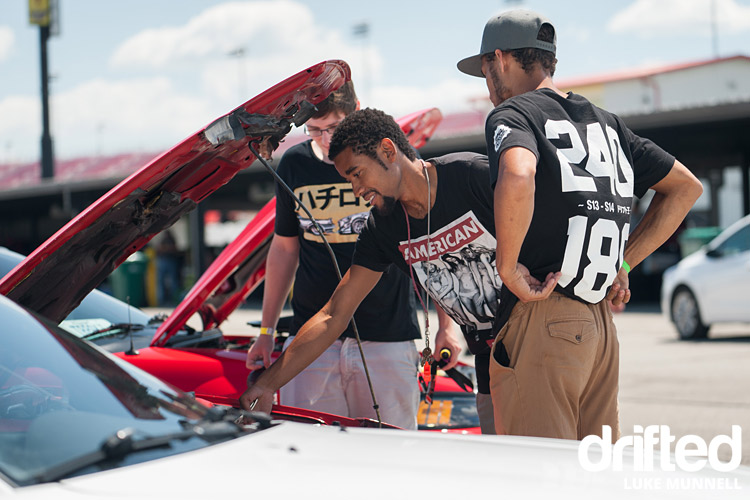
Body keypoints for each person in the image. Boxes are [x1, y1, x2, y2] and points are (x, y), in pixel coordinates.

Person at [457, 9, 703, 440]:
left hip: (544, 316)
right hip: (599, 329)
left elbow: (518, 174)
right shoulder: (606, 124)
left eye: (484, 70)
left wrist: (508, 266)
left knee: (543, 476)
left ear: (500, 59)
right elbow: (685, 188)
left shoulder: (514, 114)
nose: (487, 85)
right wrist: (621, 265)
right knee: (595, 474)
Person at [241, 108, 500, 434]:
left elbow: (548, 217)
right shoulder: (382, 230)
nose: (355, 189)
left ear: (388, 151)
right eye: (348, 179)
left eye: (357, 173)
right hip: (491, 358)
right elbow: (334, 314)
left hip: (537, 339)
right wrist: (266, 385)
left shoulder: (470, 175)